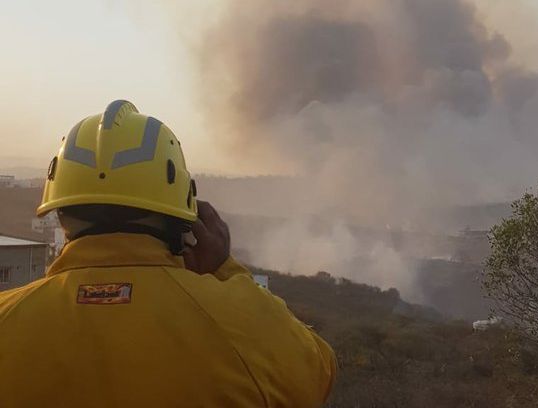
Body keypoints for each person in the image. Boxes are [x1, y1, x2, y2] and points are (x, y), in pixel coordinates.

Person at [0, 100, 336, 407]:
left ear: (59, 212)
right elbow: (317, 371)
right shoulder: (242, 331)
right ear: (182, 218)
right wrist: (224, 269)